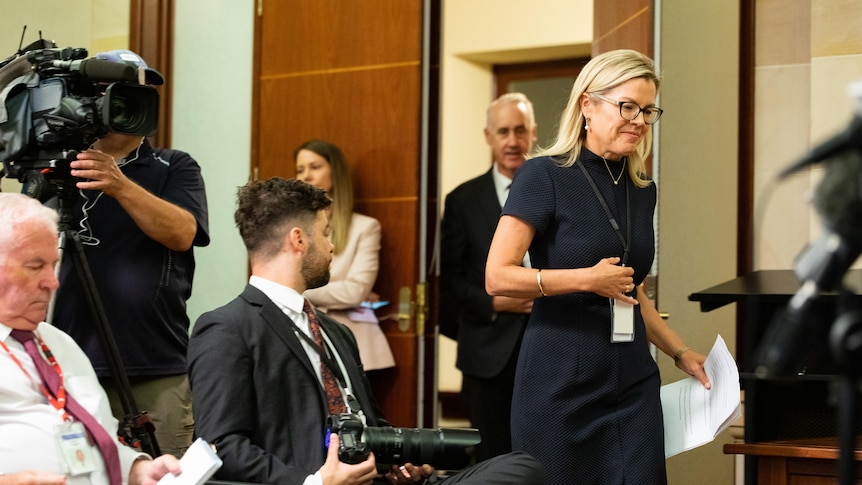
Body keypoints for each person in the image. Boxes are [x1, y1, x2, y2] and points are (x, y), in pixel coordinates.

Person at [188, 177, 545, 485]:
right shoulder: (227, 328)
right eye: (325, 234)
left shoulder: (335, 332)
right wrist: (315, 482)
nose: (330, 247)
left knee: (522, 466)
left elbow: (371, 424)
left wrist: (400, 464)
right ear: (298, 240)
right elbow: (222, 446)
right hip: (310, 481)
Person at [484, 49, 711, 485]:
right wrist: (588, 279)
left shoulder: (642, 188)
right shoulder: (542, 175)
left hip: (631, 382)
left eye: (648, 110)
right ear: (587, 104)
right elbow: (497, 277)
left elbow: (632, 289)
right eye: (628, 106)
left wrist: (681, 353)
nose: (639, 120)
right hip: (559, 385)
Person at [50, 50, 210, 457]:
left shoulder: (173, 166)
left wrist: (118, 183)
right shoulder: (55, 166)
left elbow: (182, 233)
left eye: (131, 93)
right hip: (66, 361)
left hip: (152, 365)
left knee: (164, 475)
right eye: (105, 92)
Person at [0, 192, 182, 484]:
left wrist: (136, 470)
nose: (53, 282)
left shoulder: (60, 343)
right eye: (35, 266)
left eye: (53, 264)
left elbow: (96, 430)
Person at [439, 93, 536, 461]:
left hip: (548, 345)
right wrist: (496, 301)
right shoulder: (462, 200)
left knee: (546, 458)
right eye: (503, 132)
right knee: (494, 462)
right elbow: (449, 282)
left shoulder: (556, 190)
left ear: (533, 132)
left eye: (520, 130)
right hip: (486, 355)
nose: (512, 141)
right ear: (488, 136)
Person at [296, 140, 395, 371]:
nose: (306, 176)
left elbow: (355, 291)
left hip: (353, 347)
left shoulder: (365, 227)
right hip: (304, 343)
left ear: (335, 173)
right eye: (300, 169)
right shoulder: (293, 231)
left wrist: (300, 289)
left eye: (315, 167)